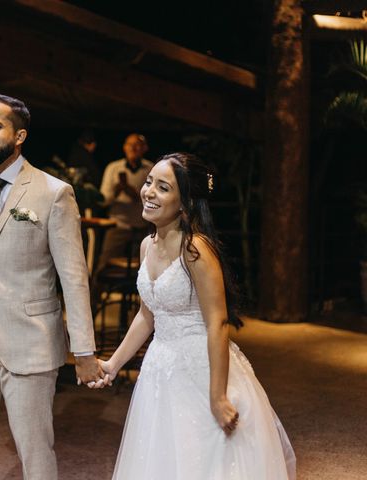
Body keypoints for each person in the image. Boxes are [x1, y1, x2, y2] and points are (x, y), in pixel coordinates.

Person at [0, 93, 105, 480]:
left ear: (20, 135)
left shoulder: (53, 192)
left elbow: (74, 278)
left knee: (35, 452)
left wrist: (83, 350)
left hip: (30, 341)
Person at [99, 153, 296, 479]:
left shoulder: (196, 249)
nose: (148, 192)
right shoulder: (147, 246)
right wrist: (113, 364)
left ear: (185, 202)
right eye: (149, 182)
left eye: (162, 187)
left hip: (200, 368)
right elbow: (147, 315)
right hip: (159, 368)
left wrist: (217, 396)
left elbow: (217, 322)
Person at [96, 133, 154, 274]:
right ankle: (95, 295)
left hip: (142, 227)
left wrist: (134, 194)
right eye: (130, 145)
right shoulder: (113, 168)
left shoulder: (151, 168)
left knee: (142, 270)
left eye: (137, 145)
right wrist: (117, 191)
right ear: (124, 148)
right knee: (104, 265)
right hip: (117, 224)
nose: (133, 148)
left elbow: (154, 200)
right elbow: (103, 201)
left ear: (144, 148)